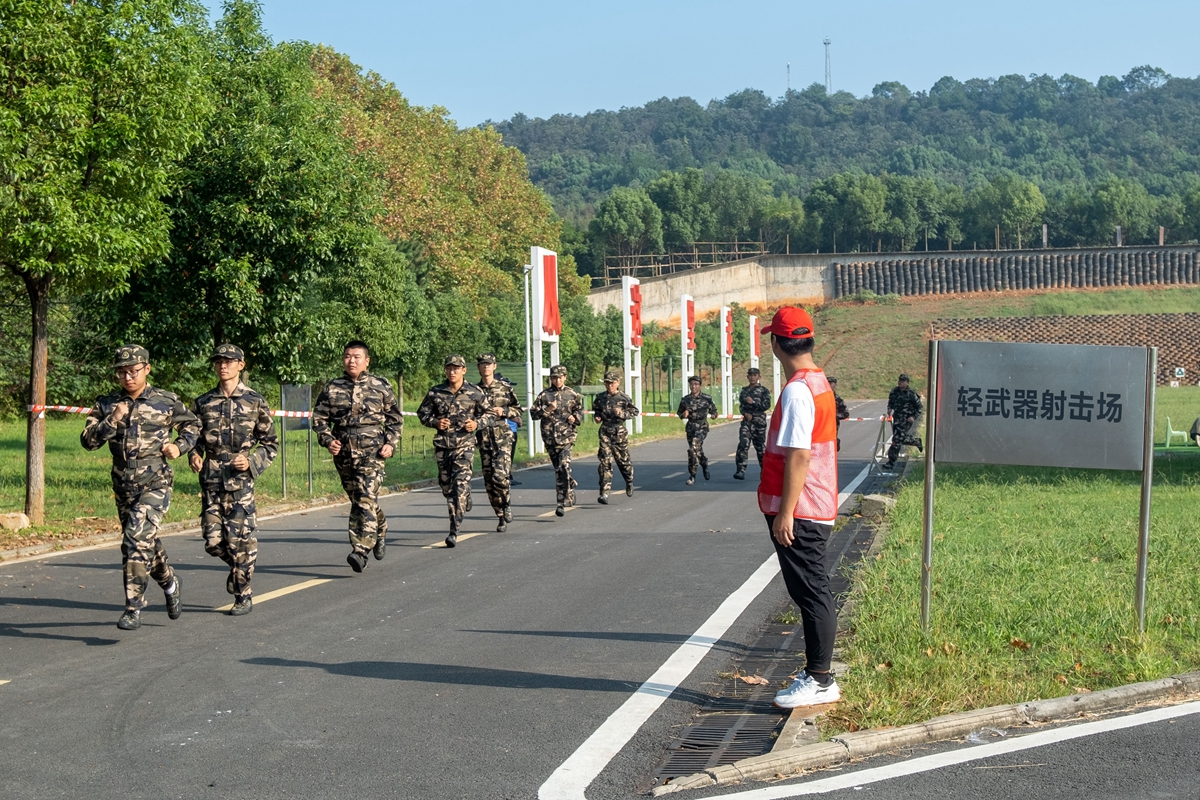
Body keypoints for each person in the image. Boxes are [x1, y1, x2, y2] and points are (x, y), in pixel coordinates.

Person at [81, 345, 199, 630]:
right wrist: (113, 419)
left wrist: (179, 447)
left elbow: (193, 426)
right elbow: (88, 441)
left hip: (155, 482)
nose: (127, 377)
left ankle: (133, 607)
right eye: (121, 372)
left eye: (133, 371)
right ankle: (170, 583)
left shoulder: (166, 401)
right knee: (144, 542)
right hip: (123, 485)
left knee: (134, 542)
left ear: (146, 369)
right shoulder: (107, 404)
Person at [758, 307, 842, 708]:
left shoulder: (796, 390)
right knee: (812, 590)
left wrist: (786, 512)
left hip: (802, 507)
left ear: (777, 343)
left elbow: (798, 456)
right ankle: (818, 674)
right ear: (809, 341)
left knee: (811, 592)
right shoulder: (817, 380)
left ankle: (820, 678)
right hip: (816, 500)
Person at [188, 344, 278, 616]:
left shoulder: (254, 401)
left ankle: (243, 596)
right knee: (213, 542)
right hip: (212, 482)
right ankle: (241, 565)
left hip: (240, 484)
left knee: (237, 540)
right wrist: (193, 454)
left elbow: (270, 444)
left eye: (229, 361)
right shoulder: (203, 402)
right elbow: (193, 437)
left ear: (241, 364)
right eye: (218, 361)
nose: (223, 366)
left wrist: (250, 462)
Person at [312, 340, 403, 572]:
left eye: (356, 356)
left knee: (364, 498)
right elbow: (319, 419)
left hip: (373, 452)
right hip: (344, 453)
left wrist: (390, 444)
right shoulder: (332, 388)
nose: (351, 360)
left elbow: (395, 420)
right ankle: (380, 528)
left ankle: (360, 550)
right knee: (361, 500)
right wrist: (327, 440)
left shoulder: (381, 385)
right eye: (347, 356)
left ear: (366, 361)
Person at [417, 354, 494, 546]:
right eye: (449, 368)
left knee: (458, 487)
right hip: (443, 446)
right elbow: (422, 413)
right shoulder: (436, 392)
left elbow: (491, 414)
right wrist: (435, 422)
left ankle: (454, 530)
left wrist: (476, 424)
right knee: (446, 488)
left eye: (456, 368)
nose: (452, 372)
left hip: (465, 447)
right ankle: (465, 495)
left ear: (464, 370)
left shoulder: (475, 392)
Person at [474, 353, 522, 532]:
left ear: (494, 366)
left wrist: (504, 411)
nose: (486, 367)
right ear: (478, 367)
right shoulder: (473, 390)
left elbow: (517, 410)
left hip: (503, 438)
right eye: (482, 364)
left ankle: (507, 503)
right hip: (484, 439)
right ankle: (500, 515)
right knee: (489, 481)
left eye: (489, 364)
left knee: (500, 476)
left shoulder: (504, 388)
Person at [530, 365, 584, 517]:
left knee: (563, 465)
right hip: (550, 438)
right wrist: (547, 410)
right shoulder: (544, 395)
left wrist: (576, 418)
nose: (557, 380)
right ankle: (569, 484)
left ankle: (561, 503)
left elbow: (580, 411)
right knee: (559, 469)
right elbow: (533, 414)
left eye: (560, 377)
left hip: (567, 437)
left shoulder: (572, 394)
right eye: (554, 377)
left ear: (565, 377)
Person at [592, 369, 638, 503]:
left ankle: (629, 480)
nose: (609, 385)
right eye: (607, 383)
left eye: (612, 383)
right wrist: (597, 417)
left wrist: (622, 413)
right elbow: (597, 410)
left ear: (618, 382)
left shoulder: (624, 398)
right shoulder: (600, 398)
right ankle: (604, 493)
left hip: (619, 433)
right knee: (605, 462)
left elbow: (634, 412)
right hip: (605, 431)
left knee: (623, 462)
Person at [677, 375, 718, 485]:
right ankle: (704, 463)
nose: (693, 386)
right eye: (691, 384)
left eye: (696, 384)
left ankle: (692, 476)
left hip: (702, 427)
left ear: (700, 386)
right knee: (695, 452)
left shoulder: (706, 398)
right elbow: (679, 413)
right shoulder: (685, 400)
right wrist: (683, 415)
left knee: (693, 448)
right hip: (690, 428)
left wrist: (714, 415)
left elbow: (714, 411)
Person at [734, 367, 772, 480]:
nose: (752, 377)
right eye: (750, 375)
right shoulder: (744, 391)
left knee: (760, 447)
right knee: (743, 443)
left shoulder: (764, 391)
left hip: (759, 422)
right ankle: (740, 470)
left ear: (759, 377)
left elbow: (766, 406)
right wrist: (745, 413)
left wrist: (754, 402)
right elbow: (741, 405)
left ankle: (765, 471)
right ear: (747, 377)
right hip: (747, 422)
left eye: (755, 375)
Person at [884, 373, 923, 471]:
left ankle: (891, 462)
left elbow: (919, 407)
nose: (900, 382)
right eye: (900, 380)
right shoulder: (894, 391)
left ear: (907, 382)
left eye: (903, 381)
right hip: (897, 418)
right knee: (899, 438)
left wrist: (913, 416)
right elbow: (891, 402)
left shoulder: (911, 394)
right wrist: (889, 409)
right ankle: (915, 441)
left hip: (906, 420)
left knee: (896, 439)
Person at [829, 377, 851, 452]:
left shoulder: (838, 399)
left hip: (833, 424)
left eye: (832, 384)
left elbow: (845, 413)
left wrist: (834, 416)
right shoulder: (818, 397)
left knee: (831, 442)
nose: (830, 386)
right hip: (820, 423)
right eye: (828, 384)